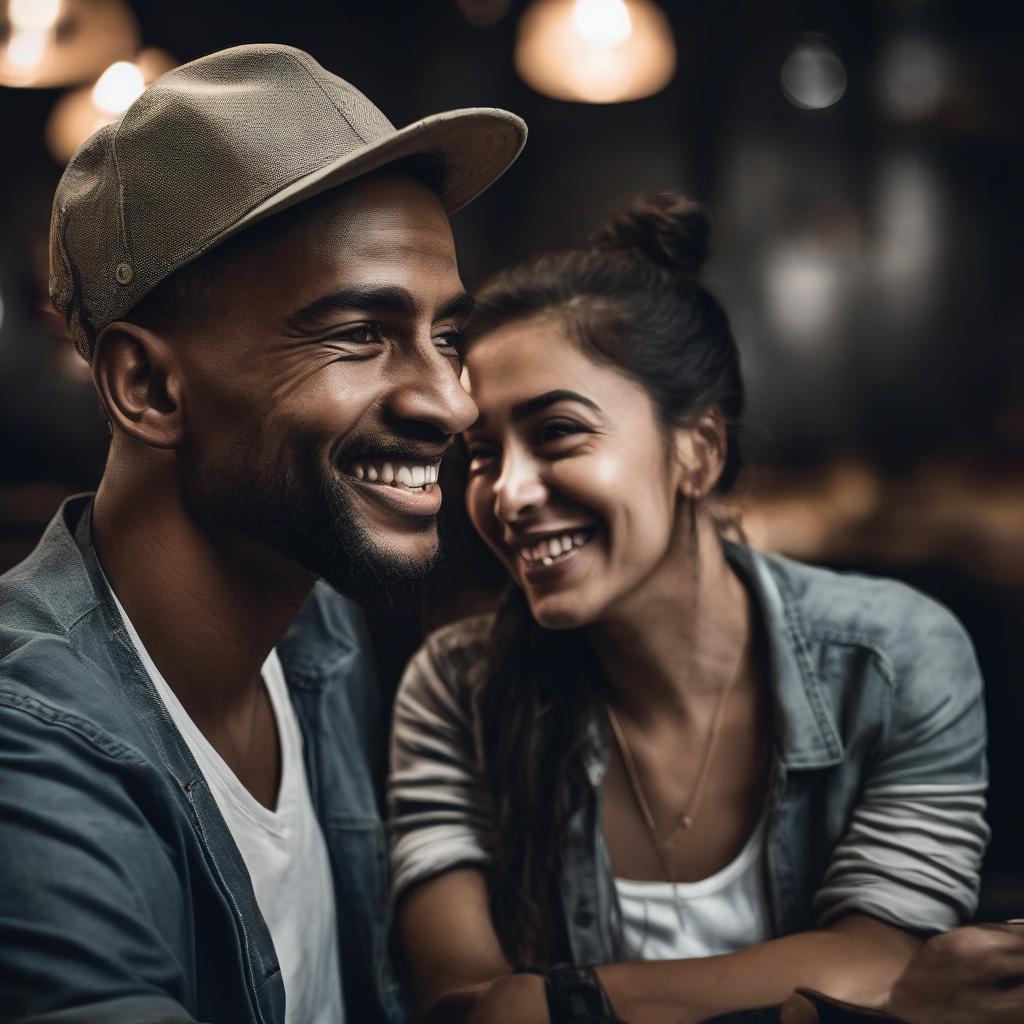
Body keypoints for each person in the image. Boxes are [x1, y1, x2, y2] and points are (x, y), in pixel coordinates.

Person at [0, 43, 525, 1024]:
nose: (452, 405)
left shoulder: (315, 622)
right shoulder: (27, 756)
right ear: (148, 386)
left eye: (446, 338)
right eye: (360, 334)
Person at [387, 194, 990, 1023]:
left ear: (698, 451)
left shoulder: (894, 658)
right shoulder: (456, 686)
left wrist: (556, 1000)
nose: (508, 493)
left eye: (558, 433)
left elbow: (884, 958)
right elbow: (461, 1005)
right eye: (484, 455)